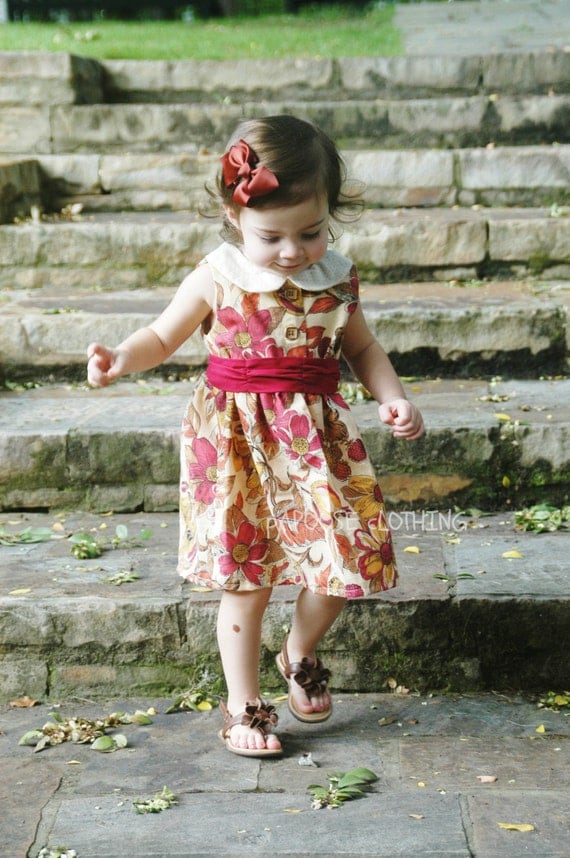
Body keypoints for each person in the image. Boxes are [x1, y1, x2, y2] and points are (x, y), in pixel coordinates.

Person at [87, 115, 424, 758]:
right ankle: (243, 703)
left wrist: (393, 397)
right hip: (236, 447)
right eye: (272, 236)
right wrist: (121, 359)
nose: (293, 251)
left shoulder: (338, 280)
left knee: (341, 565)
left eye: (311, 231)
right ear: (233, 214)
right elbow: (162, 337)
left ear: (331, 214)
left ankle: (298, 649)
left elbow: (364, 348)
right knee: (246, 581)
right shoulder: (218, 275)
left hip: (316, 448)